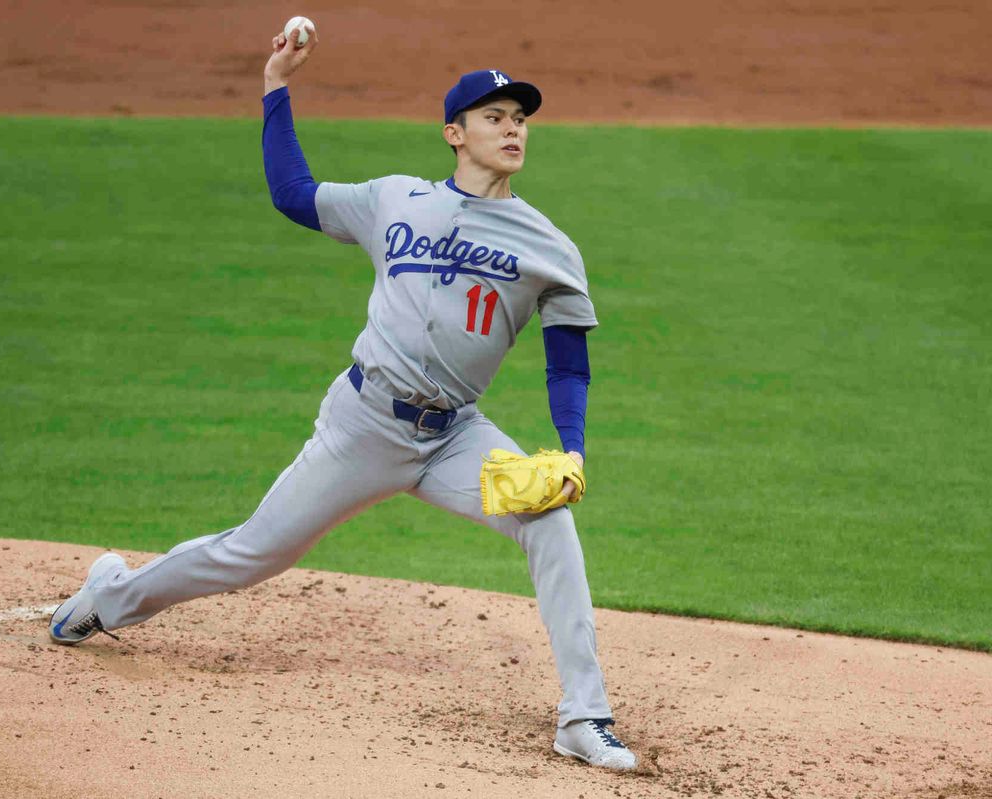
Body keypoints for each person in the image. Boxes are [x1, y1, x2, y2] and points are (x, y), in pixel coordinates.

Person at [48, 22, 637, 771]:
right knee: (252, 553)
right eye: (495, 117)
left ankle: (583, 716)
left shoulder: (548, 243)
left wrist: (572, 445)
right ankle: (112, 597)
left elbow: (568, 362)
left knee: (548, 520)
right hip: (364, 423)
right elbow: (293, 195)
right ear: (454, 132)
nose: (512, 129)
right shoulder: (395, 200)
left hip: (456, 436)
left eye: (520, 119)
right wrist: (275, 85)